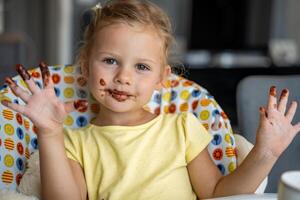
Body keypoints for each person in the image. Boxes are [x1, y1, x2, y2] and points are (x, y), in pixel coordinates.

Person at [1, 0, 300, 200]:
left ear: (162, 79)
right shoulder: (75, 143)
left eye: (141, 67)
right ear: (84, 67)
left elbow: (219, 194)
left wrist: (266, 153)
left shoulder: (182, 126)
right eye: (109, 60)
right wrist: (50, 133)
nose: (124, 77)